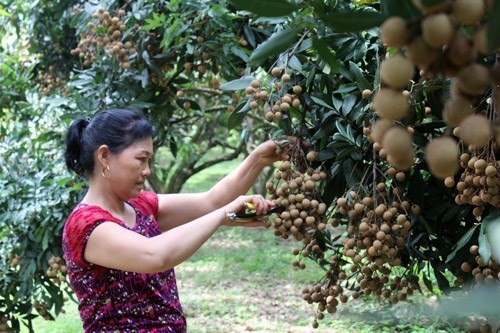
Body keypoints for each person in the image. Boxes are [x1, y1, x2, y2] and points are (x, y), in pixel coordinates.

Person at [62, 108, 291, 333]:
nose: (147, 171)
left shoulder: (140, 206)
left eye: (149, 161)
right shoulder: (85, 224)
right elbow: (155, 255)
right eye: (141, 159)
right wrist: (222, 216)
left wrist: (258, 159)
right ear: (104, 156)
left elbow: (211, 201)